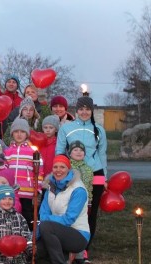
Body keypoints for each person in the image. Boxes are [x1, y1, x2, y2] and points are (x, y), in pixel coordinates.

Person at [55, 96, 107, 262]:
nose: (84, 112)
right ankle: (69, 245)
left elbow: (102, 154)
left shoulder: (98, 129)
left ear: (91, 111)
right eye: (81, 109)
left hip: (95, 173)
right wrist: (61, 172)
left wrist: (104, 176)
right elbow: (60, 152)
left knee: (90, 213)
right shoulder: (66, 128)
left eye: (87, 109)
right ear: (76, 110)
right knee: (71, 209)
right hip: (72, 174)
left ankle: (84, 249)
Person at [37, 155, 89, 264]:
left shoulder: (78, 189)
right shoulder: (50, 186)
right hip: (54, 232)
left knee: (45, 226)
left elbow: (69, 219)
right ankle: (66, 257)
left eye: (62, 167)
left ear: (68, 169)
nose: (58, 170)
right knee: (37, 250)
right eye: (55, 167)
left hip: (78, 234)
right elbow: (42, 213)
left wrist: (47, 220)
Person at [0, 118, 43, 227]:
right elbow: (4, 170)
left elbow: (39, 172)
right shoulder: (8, 151)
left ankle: (29, 240)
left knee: (27, 218)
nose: (19, 134)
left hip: (27, 193)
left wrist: (37, 189)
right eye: (16, 131)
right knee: (12, 218)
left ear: (27, 134)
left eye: (22, 132)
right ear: (12, 133)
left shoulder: (33, 152)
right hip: (12, 193)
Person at [0, 185, 32, 263]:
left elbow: (27, 236)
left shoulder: (19, 218)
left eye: (10, 199)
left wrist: (30, 248)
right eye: (3, 199)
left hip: (17, 259)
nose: (7, 201)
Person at [68, 141, 94, 263]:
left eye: (81, 150)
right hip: (71, 202)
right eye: (75, 150)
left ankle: (81, 251)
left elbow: (89, 187)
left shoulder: (88, 169)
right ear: (69, 153)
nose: (79, 152)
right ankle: (69, 250)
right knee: (71, 225)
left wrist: (90, 201)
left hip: (85, 203)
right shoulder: (67, 168)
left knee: (83, 225)